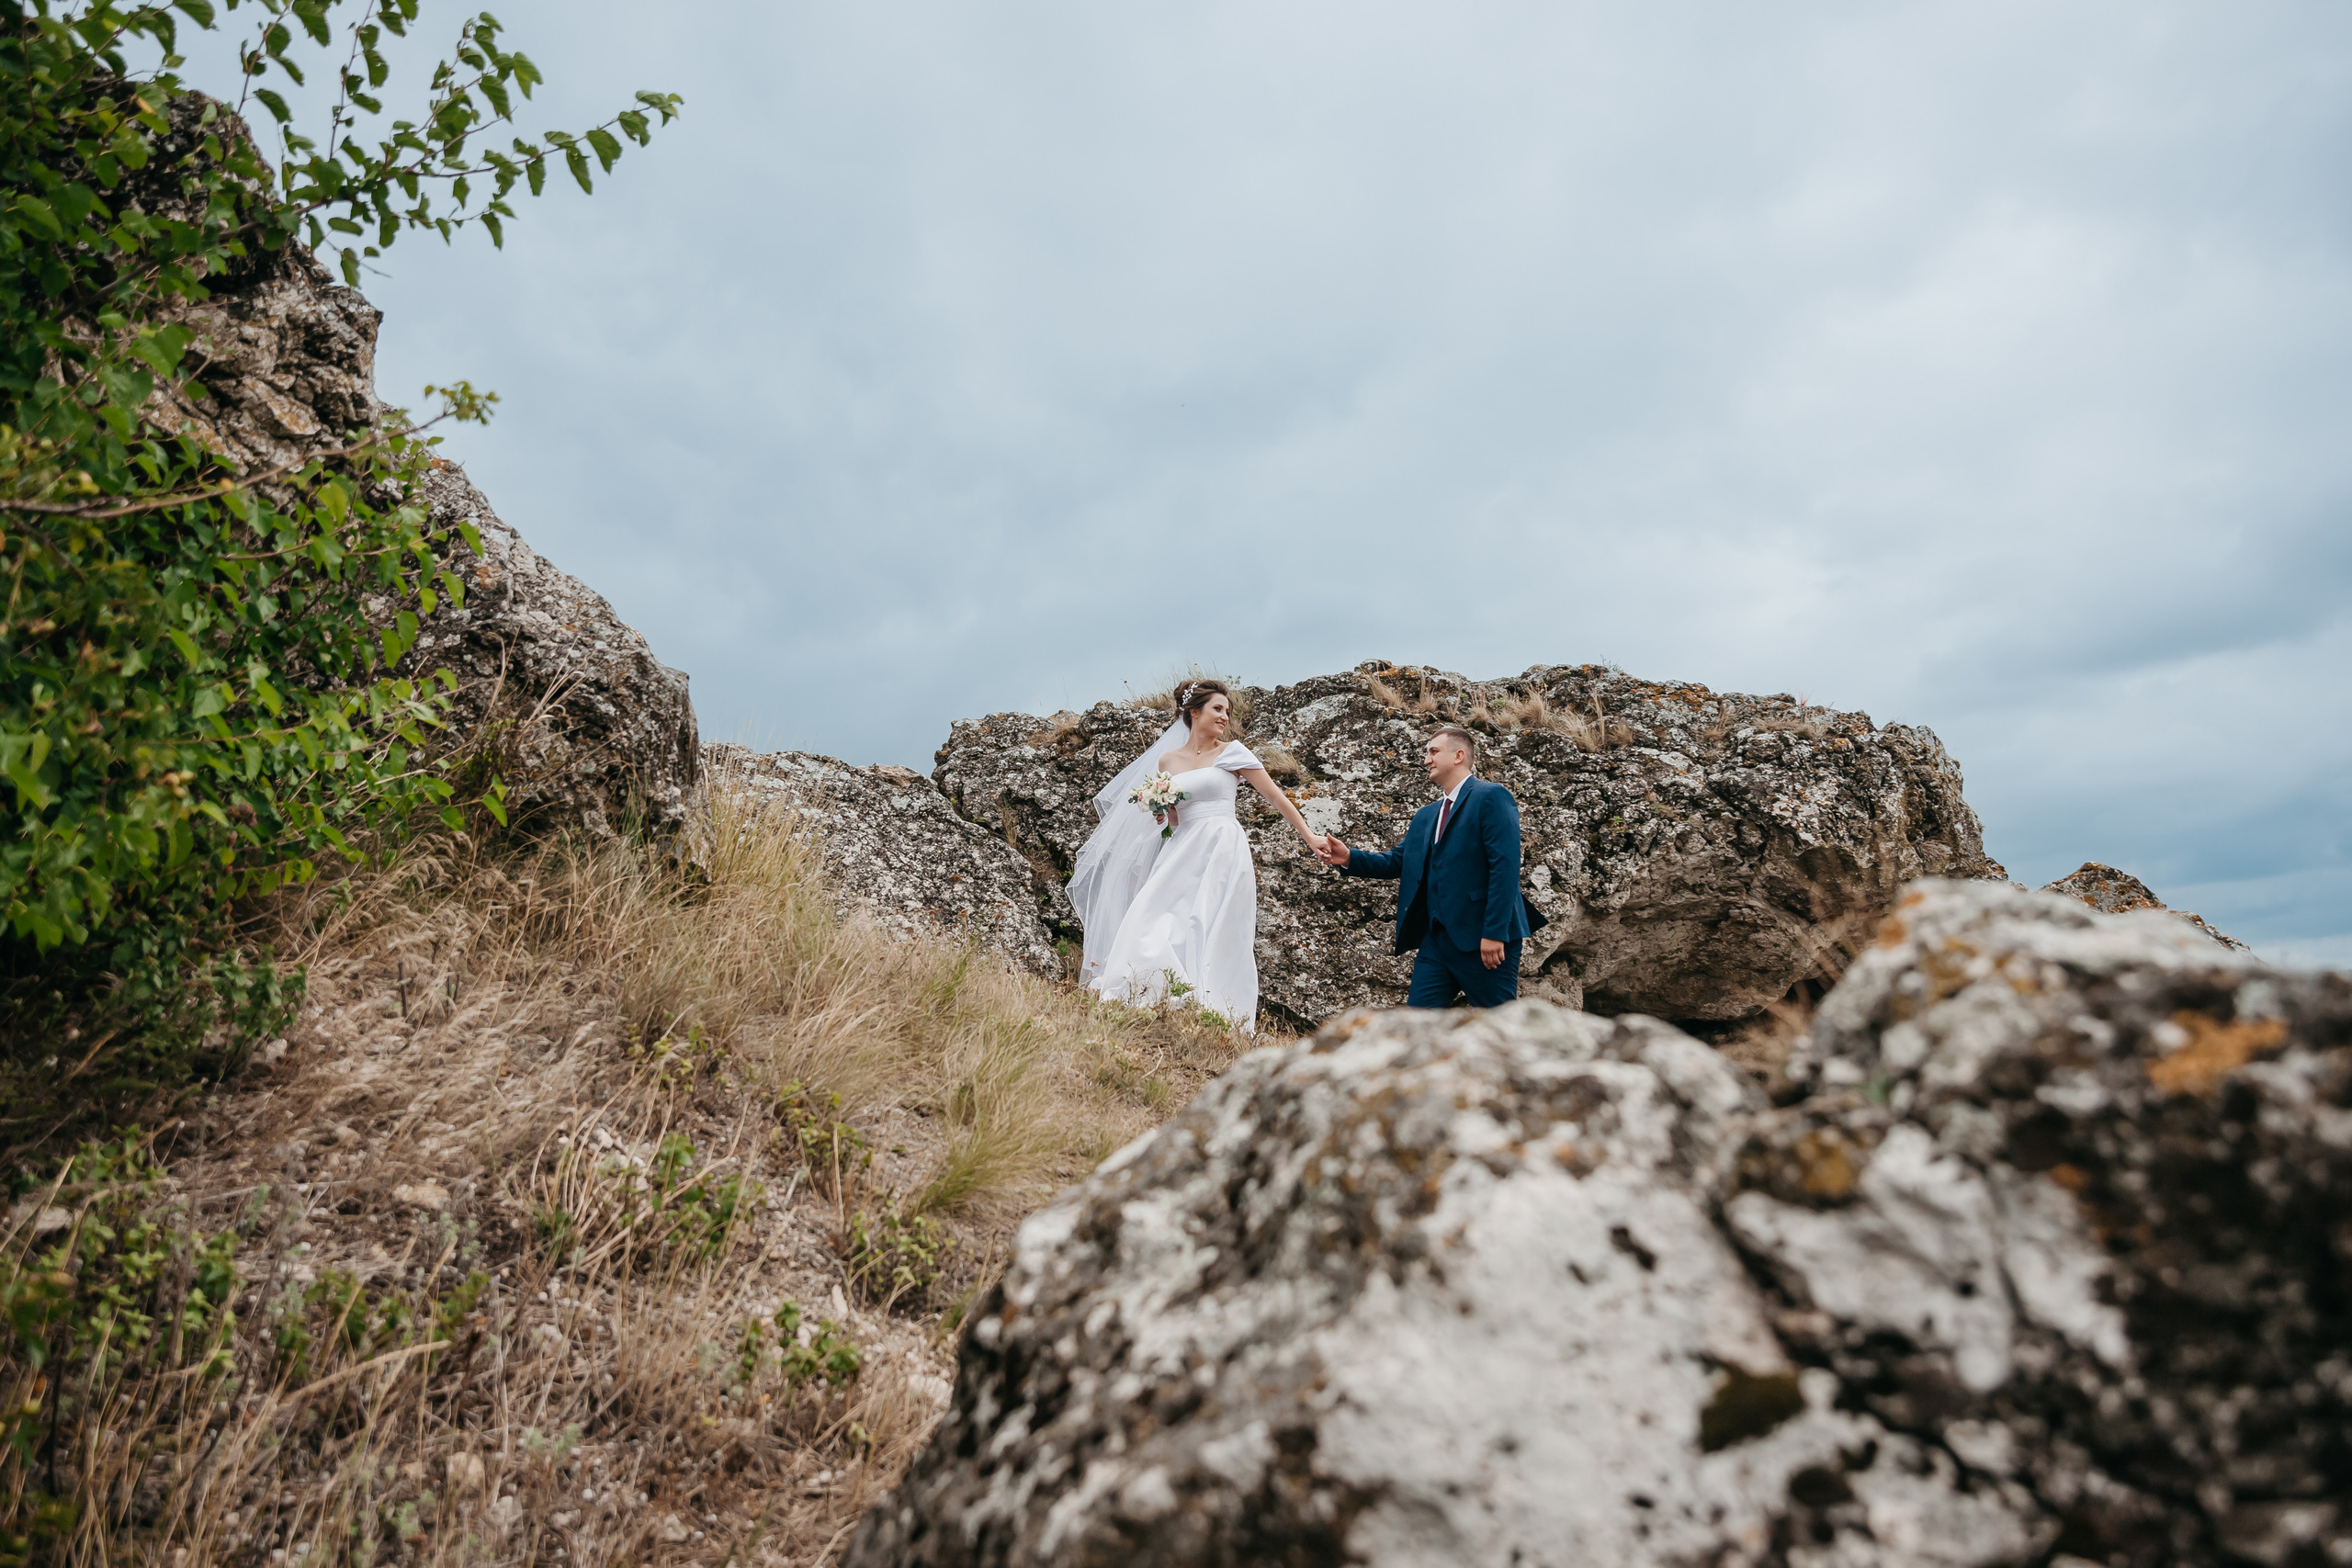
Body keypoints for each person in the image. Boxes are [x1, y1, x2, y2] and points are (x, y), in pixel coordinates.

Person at [1069, 679, 1329, 1030]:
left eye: (1227, 711)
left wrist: (1309, 836)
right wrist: (1162, 812)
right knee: (1154, 915)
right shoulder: (1168, 760)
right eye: (1217, 709)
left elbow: (1275, 796)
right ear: (1194, 712)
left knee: (1208, 923)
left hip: (1221, 845)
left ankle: (1210, 1004)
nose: (1225, 717)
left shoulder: (1232, 752)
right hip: (1181, 846)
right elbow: (1175, 818)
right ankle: (1151, 991)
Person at [1313, 726, 1545, 1009]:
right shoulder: (1426, 815)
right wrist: (1349, 857)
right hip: (1435, 942)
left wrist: (1494, 933)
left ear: (1459, 755)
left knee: (1501, 1024)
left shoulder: (1491, 796)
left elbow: (1505, 867)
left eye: (1434, 751)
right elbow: (1399, 861)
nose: (1426, 760)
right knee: (1417, 1023)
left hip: (1484, 939)